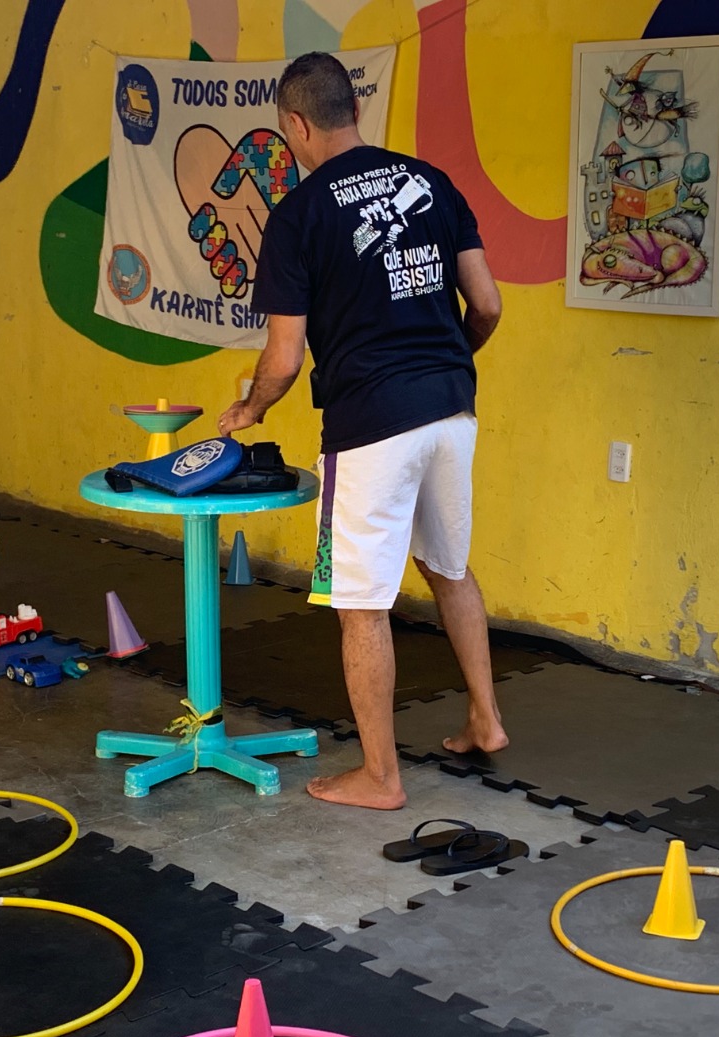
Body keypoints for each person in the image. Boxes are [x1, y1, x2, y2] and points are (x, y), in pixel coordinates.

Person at [217, 52, 506, 811]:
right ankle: (486, 719)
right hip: (450, 409)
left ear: (295, 126)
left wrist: (251, 410)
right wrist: (445, 364)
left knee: (361, 605)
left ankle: (380, 776)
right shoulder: (431, 182)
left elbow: (283, 357)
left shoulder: (300, 216)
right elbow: (489, 304)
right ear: (354, 110)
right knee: (449, 566)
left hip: (372, 425)